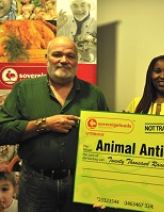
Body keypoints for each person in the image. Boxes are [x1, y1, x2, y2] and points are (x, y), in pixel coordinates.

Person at [0, 36, 108, 211]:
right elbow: (2, 131)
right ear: (47, 58)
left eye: (70, 56)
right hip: (35, 184)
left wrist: (103, 188)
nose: (64, 60)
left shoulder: (94, 95)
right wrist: (44, 124)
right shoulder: (24, 90)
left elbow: (107, 143)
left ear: (77, 60)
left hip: (80, 185)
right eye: (57, 54)